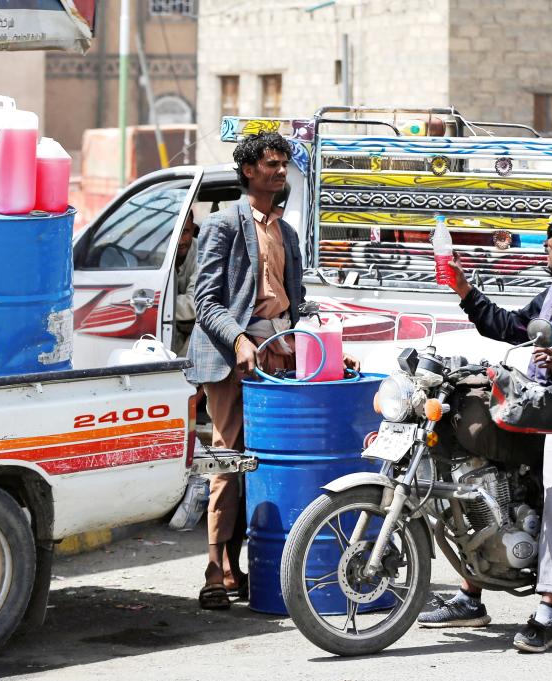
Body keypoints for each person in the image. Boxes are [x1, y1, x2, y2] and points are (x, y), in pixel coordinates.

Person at [416, 196, 552, 654]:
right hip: (542, 407)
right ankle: (473, 590)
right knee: (473, 452)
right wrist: (465, 292)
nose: (545, 248)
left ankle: (547, 611)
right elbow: (512, 326)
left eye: (550, 238)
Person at [186, 132, 357, 610]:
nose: (280, 172)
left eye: (283, 164)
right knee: (228, 460)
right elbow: (205, 302)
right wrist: (239, 340)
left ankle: (267, 563)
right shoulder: (224, 224)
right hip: (232, 359)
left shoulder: (286, 232)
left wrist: (325, 350)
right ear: (248, 171)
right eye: (270, 164)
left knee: (273, 461)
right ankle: (216, 568)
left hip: (279, 356)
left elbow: (296, 306)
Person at [173, 209, 198, 357]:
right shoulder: (158, 253)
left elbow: (195, 303)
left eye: (185, 231)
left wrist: (158, 305)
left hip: (197, 326)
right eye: (176, 233)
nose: (180, 240)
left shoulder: (203, 253)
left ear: (194, 229)